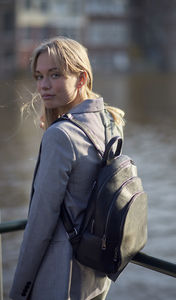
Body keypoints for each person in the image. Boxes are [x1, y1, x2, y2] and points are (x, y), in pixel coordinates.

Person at [9, 36, 125, 300]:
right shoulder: (110, 122)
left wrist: (19, 291)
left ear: (81, 79)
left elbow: (40, 223)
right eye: (39, 77)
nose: (43, 86)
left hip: (59, 277)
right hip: (95, 274)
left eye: (55, 74)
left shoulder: (60, 136)